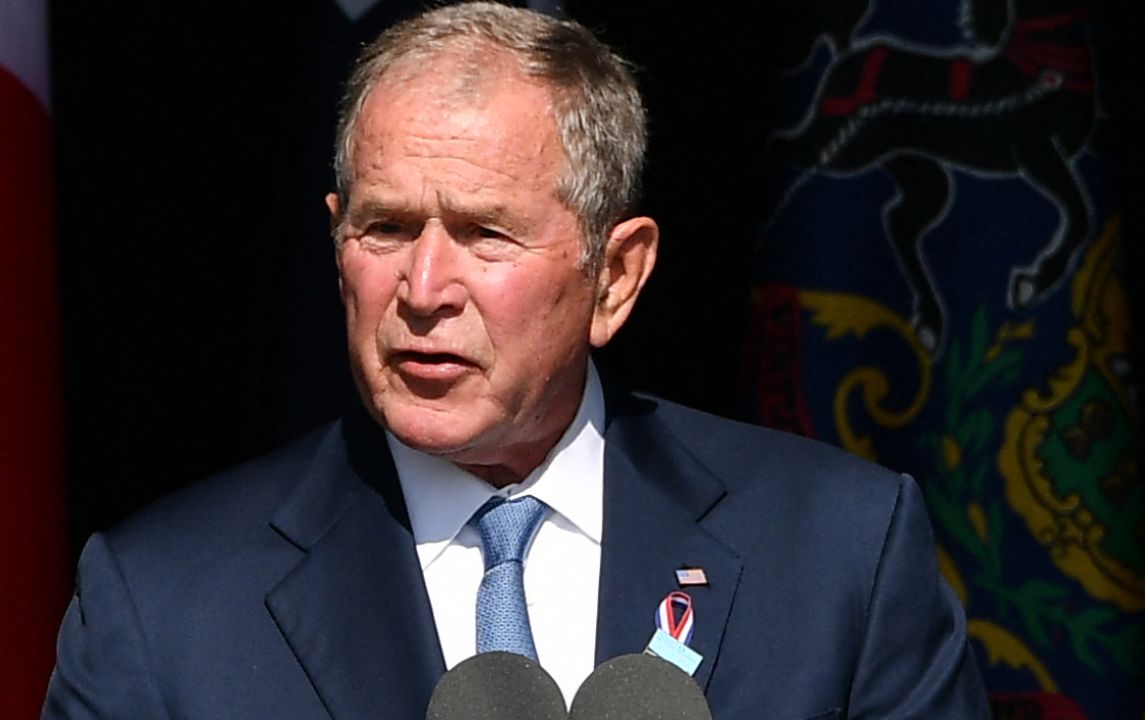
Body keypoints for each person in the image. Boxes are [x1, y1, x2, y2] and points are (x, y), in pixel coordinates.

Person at [43, 3, 990, 718]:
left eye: (484, 235)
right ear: (335, 248)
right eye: (385, 228)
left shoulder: (841, 556)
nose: (422, 287)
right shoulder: (162, 606)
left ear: (616, 277)